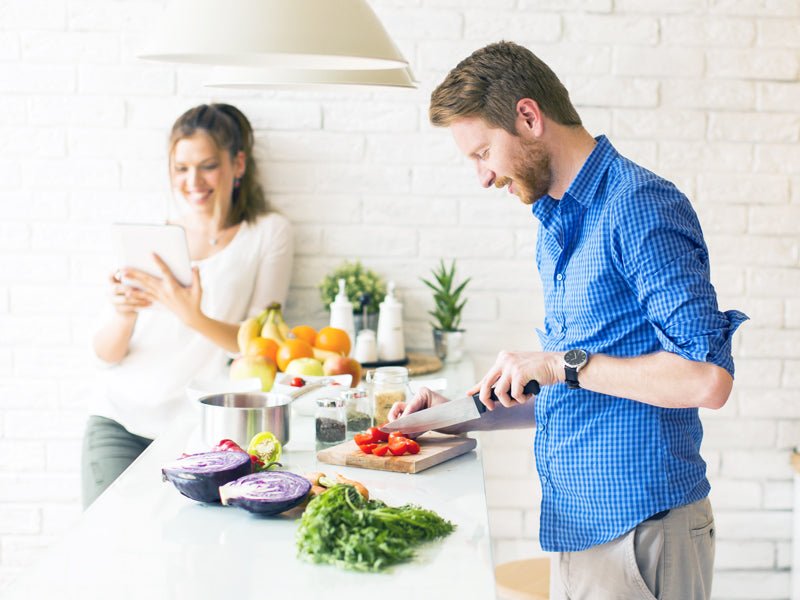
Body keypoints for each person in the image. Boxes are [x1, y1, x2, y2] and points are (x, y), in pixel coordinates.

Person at [389, 42, 747, 600]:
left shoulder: (639, 205)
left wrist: (560, 363)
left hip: (641, 530)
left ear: (529, 117)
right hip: (580, 529)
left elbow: (706, 380)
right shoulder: (557, 224)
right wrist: (460, 414)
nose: (482, 178)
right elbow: (582, 391)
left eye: (483, 152)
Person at [83, 104, 293, 508]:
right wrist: (124, 313)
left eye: (207, 165)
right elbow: (104, 355)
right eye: (181, 168)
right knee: (104, 554)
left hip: (200, 431)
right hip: (119, 419)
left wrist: (191, 315)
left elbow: (260, 348)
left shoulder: (266, 233)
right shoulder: (150, 231)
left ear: (238, 164)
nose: (192, 181)